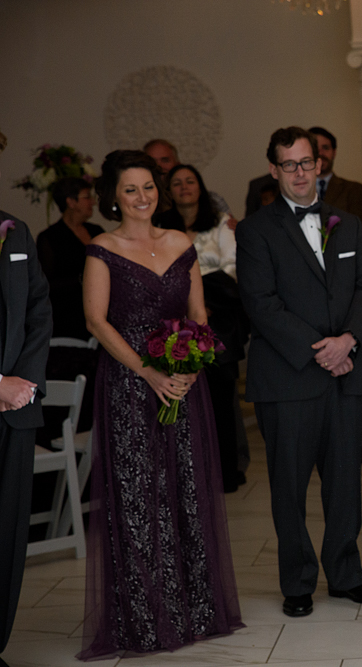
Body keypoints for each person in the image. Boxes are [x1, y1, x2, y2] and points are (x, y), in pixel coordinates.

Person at [79, 150, 242, 658]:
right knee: (136, 497)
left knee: (185, 489)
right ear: (113, 197)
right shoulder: (101, 249)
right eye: (131, 189)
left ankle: (192, 609)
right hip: (130, 387)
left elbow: (198, 313)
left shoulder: (181, 243)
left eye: (149, 187)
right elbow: (96, 322)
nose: (142, 197)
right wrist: (148, 372)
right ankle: (145, 617)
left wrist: (191, 365)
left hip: (181, 387)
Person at [236, 127, 362, 618]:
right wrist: (320, 349)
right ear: (274, 170)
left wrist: (348, 342)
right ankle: (297, 582)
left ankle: (346, 575)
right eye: (289, 165)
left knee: (345, 483)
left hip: (345, 373)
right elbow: (261, 304)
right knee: (289, 485)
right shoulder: (255, 230)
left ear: (319, 164)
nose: (300, 172)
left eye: (307, 162)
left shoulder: (348, 223)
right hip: (288, 376)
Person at [156, 164, 247, 493]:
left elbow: (232, 268)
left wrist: (200, 299)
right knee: (179, 398)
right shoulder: (160, 227)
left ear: (201, 186)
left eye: (189, 181)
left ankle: (225, 471)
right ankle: (185, 474)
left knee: (221, 401)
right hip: (173, 325)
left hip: (218, 321)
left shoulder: (221, 224)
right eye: (176, 183)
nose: (183, 187)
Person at [0, 129, 53, 667]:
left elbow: (40, 313)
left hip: (16, 408)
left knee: (7, 534)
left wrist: (22, 385)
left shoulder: (14, 233)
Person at [37, 178, 105, 340]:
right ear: (71, 202)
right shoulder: (50, 237)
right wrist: (82, 279)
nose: (93, 202)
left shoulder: (97, 232)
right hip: (68, 317)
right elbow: (45, 284)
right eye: (87, 197)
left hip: (100, 312)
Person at [143, 138, 232, 216]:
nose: (159, 166)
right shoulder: (139, 201)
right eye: (152, 162)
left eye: (165, 160)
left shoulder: (213, 201)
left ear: (177, 164)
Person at [309, 126, 362, 234]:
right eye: (315, 148)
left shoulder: (355, 190)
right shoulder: (295, 189)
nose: (320, 153)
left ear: (334, 152)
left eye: (325, 148)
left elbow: (359, 229)